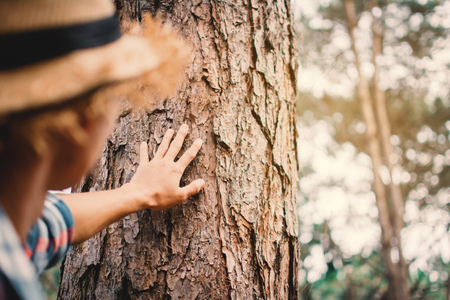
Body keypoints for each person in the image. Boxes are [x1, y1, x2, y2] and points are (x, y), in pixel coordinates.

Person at [0, 0, 205, 299]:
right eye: (114, 96)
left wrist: (137, 193)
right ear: (84, 120)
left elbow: (48, 220)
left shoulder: (14, 227)